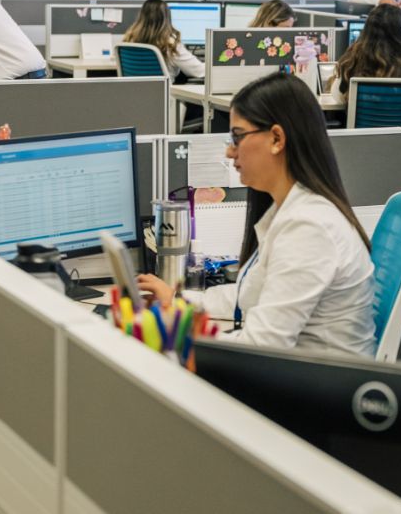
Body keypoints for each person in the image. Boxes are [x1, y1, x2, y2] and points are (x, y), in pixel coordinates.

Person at [137, 73, 376, 355]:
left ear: (277, 138)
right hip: (296, 375)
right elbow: (248, 295)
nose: (229, 151)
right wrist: (178, 301)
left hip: (313, 389)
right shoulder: (290, 207)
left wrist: (173, 329)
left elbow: (260, 347)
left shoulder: (309, 228)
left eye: (237, 137)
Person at [122, 0, 205, 80]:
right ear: (166, 18)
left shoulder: (129, 39)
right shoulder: (170, 44)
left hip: (134, 91)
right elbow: (199, 71)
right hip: (163, 92)